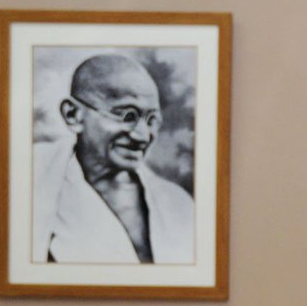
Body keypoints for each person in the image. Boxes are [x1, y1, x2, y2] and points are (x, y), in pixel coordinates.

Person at [32, 53, 195, 264]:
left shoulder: (177, 203)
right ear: (73, 115)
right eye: (128, 116)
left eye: (152, 120)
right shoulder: (33, 179)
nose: (142, 136)